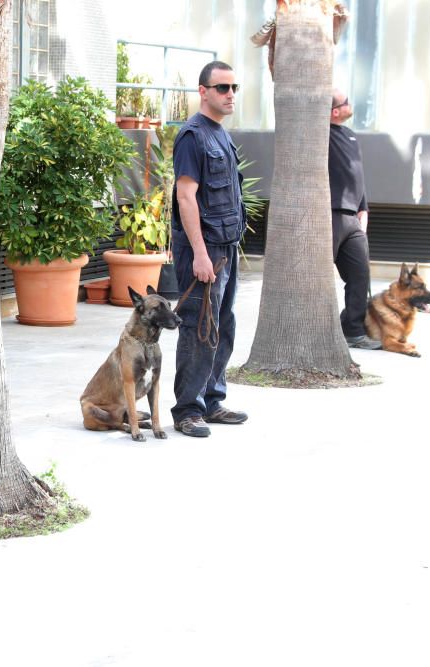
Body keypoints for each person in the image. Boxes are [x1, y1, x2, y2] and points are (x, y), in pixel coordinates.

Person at [169, 60, 249, 438]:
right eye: (222, 88)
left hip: (226, 247)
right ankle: (187, 410)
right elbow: (186, 198)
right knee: (199, 327)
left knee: (224, 325)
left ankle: (212, 400)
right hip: (204, 250)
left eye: (234, 88)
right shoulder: (192, 136)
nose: (230, 94)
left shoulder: (221, 135)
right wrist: (200, 254)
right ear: (203, 91)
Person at [328, 88, 381, 350]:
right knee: (322, 276)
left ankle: (353, 331)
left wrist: (364, 208)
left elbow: (357, 174)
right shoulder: (321, 134)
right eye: (346, 102)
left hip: (354, 216)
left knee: (360, 274)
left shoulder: (350, 135)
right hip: (329, 214)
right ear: (334, 111)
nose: (351, 104)